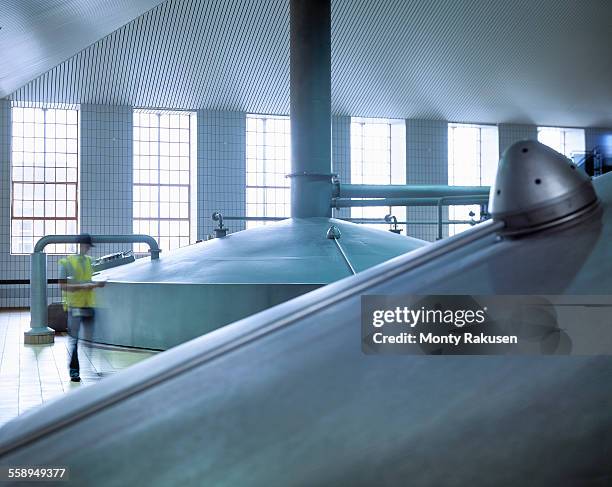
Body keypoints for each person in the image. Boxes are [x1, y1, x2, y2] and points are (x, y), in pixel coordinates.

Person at [58, 234, 105, 382]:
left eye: (88, 247)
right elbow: (63, 285)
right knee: (75, 340)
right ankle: (74, 371)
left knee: (92, 338)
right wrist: (84, 286)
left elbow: (89, 281)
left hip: (89, 304)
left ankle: (92, 368)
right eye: (85, 246)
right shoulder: (66, 263)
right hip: (75, 306)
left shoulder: (90, 261)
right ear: (79, 246)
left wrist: (97, 284)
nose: (87, 250)